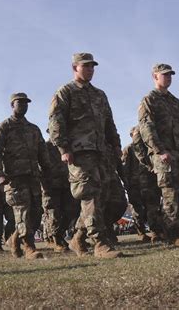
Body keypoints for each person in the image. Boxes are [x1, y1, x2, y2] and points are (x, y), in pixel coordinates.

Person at [48, 52, 123, 258]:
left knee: (104, 197)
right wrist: (63, 149)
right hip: (79, 152)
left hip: (101, 152)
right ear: (75, 68)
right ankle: (99, 243)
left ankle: (78, 238)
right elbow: (55, 122)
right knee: (89, 195)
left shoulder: (99, 94)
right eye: (86, 66)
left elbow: (109, 123)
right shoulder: (66, 92)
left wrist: (116, 145)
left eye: (92, 66)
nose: (90, 70)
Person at [138, 63, 179, 246]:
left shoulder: (175, 102)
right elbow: (146, 128)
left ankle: (174, 224)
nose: (168, 77)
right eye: (164, 75)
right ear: (155, 77)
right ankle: (172, 234)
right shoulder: (148, 100)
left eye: (170, 75)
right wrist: (159, 151)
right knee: (170, 193)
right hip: (163, 153)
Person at [0, 92, 51, 259]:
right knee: (22, 212)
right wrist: (0, 175)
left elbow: (43, 153)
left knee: (36, 213)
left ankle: (14, 240)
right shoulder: (4, 127)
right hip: (14, 178)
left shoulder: (33, 129)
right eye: (19, 103)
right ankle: (29, 247)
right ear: (12, 105)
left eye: (25, 103)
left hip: (33, 178)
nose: (23, 106)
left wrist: (48, 171)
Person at [41, 137, 80, 253]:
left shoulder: (68, 146)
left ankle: (59, 235)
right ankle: (58, 241)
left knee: (72, 211)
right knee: (54, 214)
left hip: (67, 183)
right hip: (51, 185)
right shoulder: (45, 146)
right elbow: (40, 164)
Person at [122, 127, 151, 242]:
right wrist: (127, 184)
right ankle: (141, 232)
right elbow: (124, 169)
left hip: (148, 184)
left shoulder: (147, 148)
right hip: (134, 184)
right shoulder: (128, 149)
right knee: (137, 210)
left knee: (151, 207)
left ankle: (156, 231)